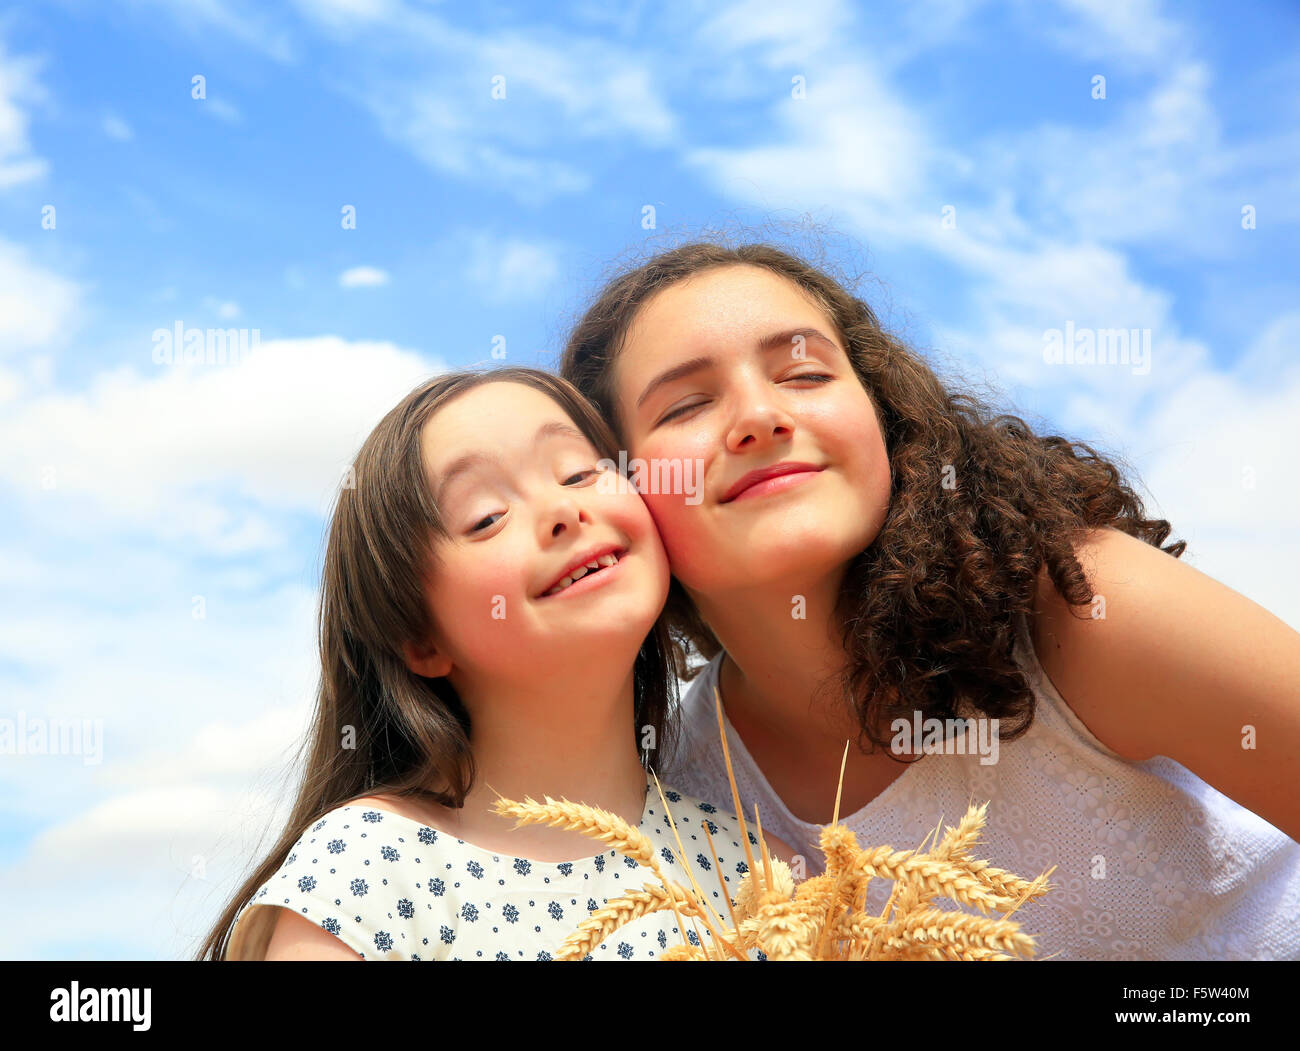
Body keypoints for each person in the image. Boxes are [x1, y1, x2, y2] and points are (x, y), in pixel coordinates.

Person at [559, 237, 1300, 960]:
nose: (760, 415)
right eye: (686, 405)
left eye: (807, 375)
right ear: (615, 488)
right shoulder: (674, 805)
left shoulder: (1077, 606)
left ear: (884, 417)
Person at [197, 366, 793, 962]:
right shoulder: (369, 869)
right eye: (486, 517)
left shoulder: (756, 873)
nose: (563, 509)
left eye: (580, 472)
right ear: (421, 640)